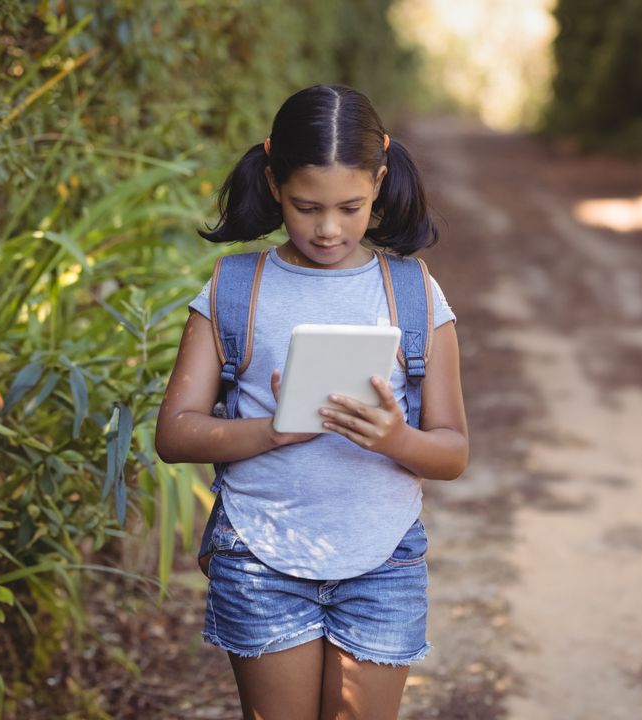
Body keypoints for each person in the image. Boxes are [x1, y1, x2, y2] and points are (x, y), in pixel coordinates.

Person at [154, 84, 468, 720]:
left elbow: (453, 451)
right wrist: (272, 430)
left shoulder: (411, 291)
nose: (328, 228)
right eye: (306, 206)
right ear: (272, 182)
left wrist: (394, 439)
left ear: (380, 180)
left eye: (350, 207)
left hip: (383, 560)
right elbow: (174, 434)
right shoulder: (236, 286)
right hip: (259, 555)